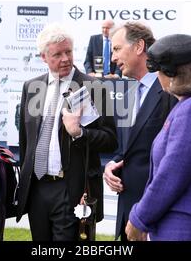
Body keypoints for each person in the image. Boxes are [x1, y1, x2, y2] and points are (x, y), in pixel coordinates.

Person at [16, 23, 118, 241]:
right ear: (44, 57)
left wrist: (79, 133)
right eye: (57, 54)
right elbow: (26, 140)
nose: (65, 58)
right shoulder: (31, 87)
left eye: (68, 51)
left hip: (72, 190)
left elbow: (111, 140)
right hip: (37, 189)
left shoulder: (95, 87)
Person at [124, 34, 191, 241]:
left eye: (158, 70)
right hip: (181, 224)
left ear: (173, 73)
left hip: (184, 227)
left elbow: (171, 176)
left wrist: (138, 219)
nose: (157, 76)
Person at [103, 22, 177, 240]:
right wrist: (110, 166)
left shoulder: (171, 93)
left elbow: (172, 160)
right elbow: (126, 150)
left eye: (117, 49)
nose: (113, 58)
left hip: (155, 216)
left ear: (139, 47)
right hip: (127, 210)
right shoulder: (128, 96)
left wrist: (146, 216)